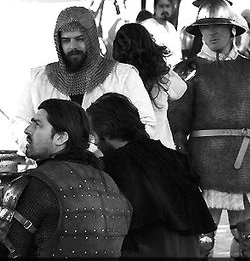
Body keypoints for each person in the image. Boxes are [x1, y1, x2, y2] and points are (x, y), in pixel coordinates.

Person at [169, 0, 250, 258]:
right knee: (199, 242)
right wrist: (180, 169)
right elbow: (175, 127)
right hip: (202, 165)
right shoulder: (188, 72)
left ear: (232, 29)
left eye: (217, 26)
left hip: (247, 161)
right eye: (205, 27)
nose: (210, 32)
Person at [0, 99, 132, 258]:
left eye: (37, 124)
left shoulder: (39, 184)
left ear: (61, 138)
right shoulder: (109, 183)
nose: (28, 130)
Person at [87, 93, 216, 257]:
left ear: (105, 131)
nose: (95, 142)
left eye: (93, 135)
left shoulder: (114, 165)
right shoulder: (171, 157)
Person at [13, 7, 157, 153]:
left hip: (111, 171)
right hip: (53, 169)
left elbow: (146, 124)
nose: (72, 46)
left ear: (91, 39)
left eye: (79, 39)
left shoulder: (123, 75)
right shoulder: (40, 79)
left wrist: (107, 154)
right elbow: (20, 121)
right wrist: (34, 148)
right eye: (66, 40)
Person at [112, 23, 187, 149]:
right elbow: (180, 90)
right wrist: (160, 63)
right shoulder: (159, 75)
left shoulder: (116, 76)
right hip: (162, 148)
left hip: (131, 150)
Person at [140, 0, 183, 67]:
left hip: (175, 73)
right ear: (155, 8)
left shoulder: (171, 28)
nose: (165, 9)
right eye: (161, 6)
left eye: (167, 6)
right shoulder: (146, 26)